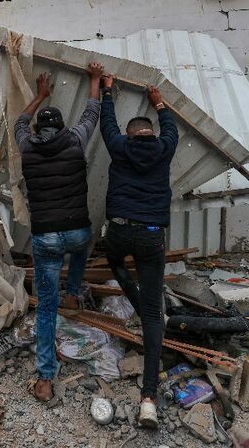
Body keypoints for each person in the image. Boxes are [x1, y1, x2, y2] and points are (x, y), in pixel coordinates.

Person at [15, 63, 103, 402]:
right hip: (77, 232)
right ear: (63, 127)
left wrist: (39, 95)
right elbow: (91, 113)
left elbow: (19, 122)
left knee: (46, 308)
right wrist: (94, 81)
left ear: (39, 129)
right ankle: (74, 290)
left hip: (46, 237)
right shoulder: (76, 140)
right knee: (83, 242)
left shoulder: (26, 147)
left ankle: (45, 378)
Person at [99, 73, 178, 428]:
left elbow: (107, 122)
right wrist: (158, 100)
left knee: (113, 259)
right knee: (151, 315)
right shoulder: (165, 148)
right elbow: (172, 126)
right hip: (151, 236)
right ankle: (148, 399)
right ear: (151, 132)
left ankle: (134, 297)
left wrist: (106, 89)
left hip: (118, 230)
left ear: (130, 136)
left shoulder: (119, 147)